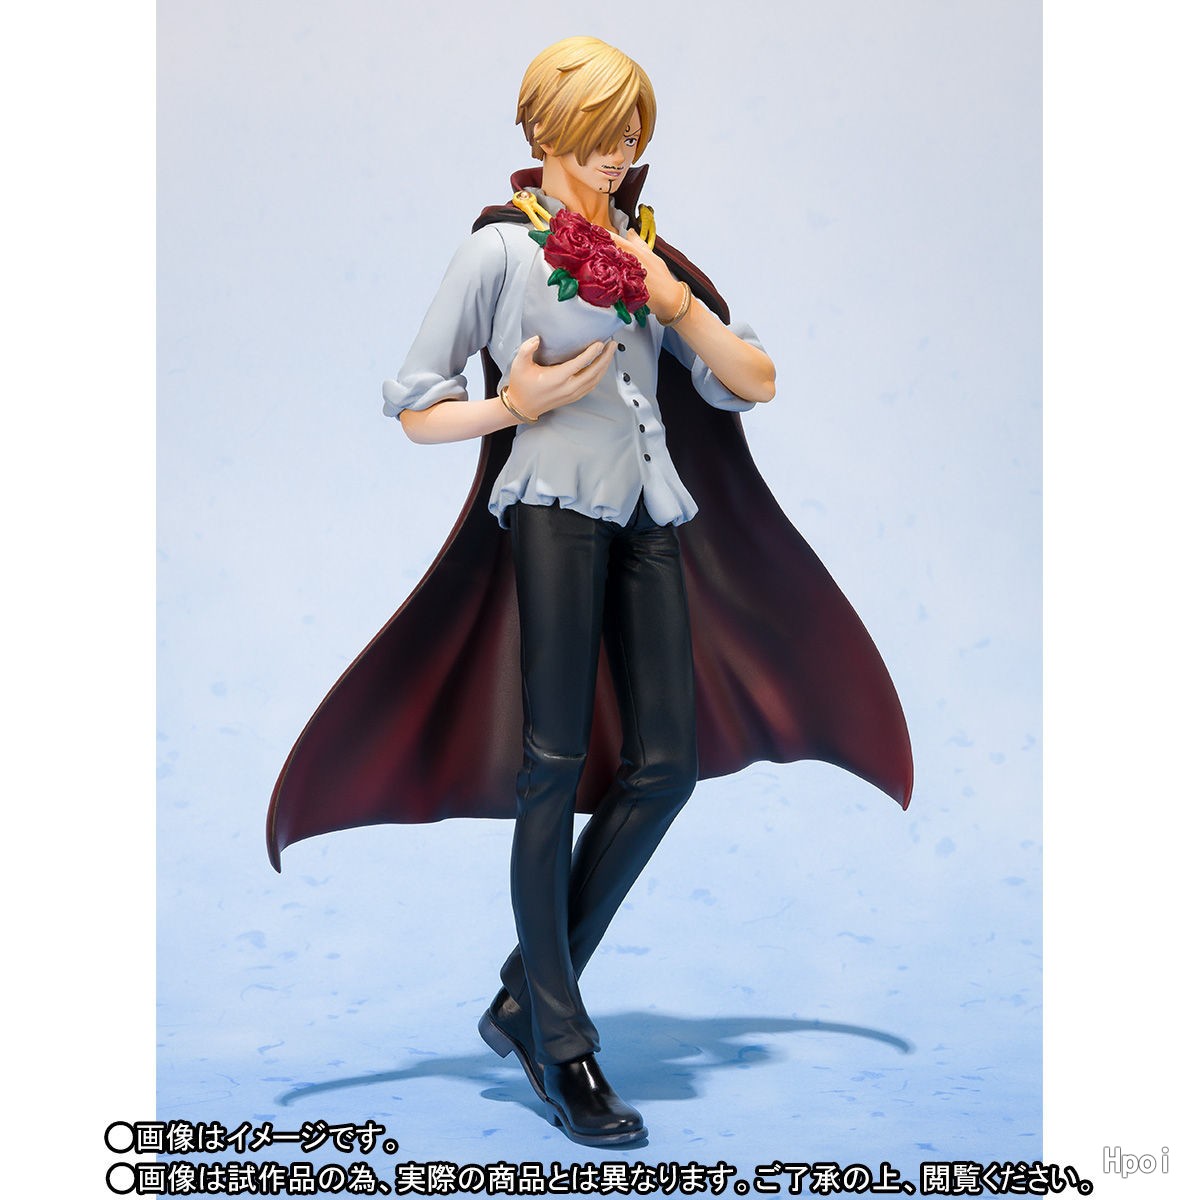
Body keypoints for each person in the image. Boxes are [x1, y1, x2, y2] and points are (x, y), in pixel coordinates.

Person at [266, 35, 913, 1150]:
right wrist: (508, 407)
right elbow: (416, 405)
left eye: (632, 133)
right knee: (551, 766)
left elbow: (754, 379)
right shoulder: (499, 251)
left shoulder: (651, 251)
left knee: (666, 766)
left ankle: (527, 990)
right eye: (600, 133)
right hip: (555, 512)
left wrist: (675, 301)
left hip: (650, 508)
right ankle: (561, 1045)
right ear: (545, 130)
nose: (619, 152)